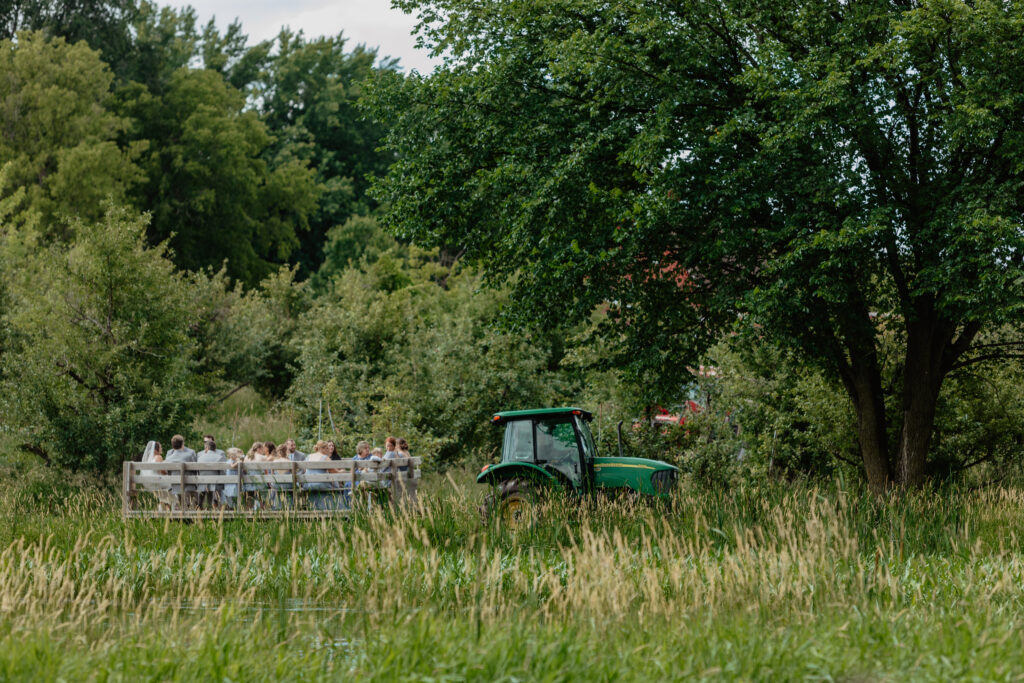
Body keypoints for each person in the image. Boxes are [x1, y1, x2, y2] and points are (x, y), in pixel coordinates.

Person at [164, 435, 197, 506]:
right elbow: (195, 470)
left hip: (175, 486)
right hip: (188, 486)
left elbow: (167, 472)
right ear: (182, 444)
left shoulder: (168, 458)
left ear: (173, 446)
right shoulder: (189, 455)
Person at [196, 436, 227, 508]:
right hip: (215, 483)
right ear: (215, 449)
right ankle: (217, 508)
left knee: (204, 490)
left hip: (202, 483)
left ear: (207, 448)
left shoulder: (200, 457)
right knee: (219, 487)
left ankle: (200, 508)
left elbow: (198, 471)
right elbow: (223, 472)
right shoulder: (219, 457)